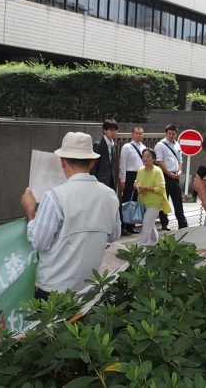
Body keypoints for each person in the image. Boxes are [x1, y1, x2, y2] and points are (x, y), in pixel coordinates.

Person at [21, 132, 121, 299]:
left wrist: (30, 212)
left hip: (53, 290)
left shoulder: (54, 196)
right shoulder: (109, 195)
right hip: (89, 288)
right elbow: (114, 235)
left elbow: (39, 243)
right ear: (92, 162)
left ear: (63, 161)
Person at [133, 148, 171, 245]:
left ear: (153, 159)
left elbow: (161, 188)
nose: (145, 159)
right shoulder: (141, 170)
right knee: (150, 223)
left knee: (146, 223)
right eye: (143, 157)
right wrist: (137, 186)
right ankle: (156, 243)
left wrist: (145, 188)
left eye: (148, 157)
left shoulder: (157, 171)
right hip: (143, 202)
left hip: (155, 203)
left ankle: (141, 246)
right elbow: (136, 182)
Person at [155, 124, 188, 230]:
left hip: (176, 176)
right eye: (169, 133)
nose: (171, 135)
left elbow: (180, 160)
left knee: (178, 200)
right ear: (166, 133)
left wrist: (179, 171)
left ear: (176, 134)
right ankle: (164, 223)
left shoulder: (177, 145)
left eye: (173, 134)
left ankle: (182, 223)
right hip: (164, 175)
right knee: (164, 200)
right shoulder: (160, 145)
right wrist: (169, 173)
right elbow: (159, 161)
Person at [118, 126, 146, 235]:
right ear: (132, 134)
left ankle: (131, 225)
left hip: (140, 175)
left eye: (140, 134)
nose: (138, 136)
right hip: (129, 175)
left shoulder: (143, 147)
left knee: (135, 201)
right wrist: (122, 180)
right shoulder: (127, 147)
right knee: (127, 201)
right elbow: (123, 164)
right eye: (136, 133)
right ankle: (123, 226)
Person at [90, 119, 119, 190]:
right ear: (104, 130)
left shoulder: (114, 145)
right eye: (111, 130)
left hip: (111, 180)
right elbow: (93, 167)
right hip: (99, 180)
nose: (114, 132)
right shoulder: (98, 145)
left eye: (115, 130)